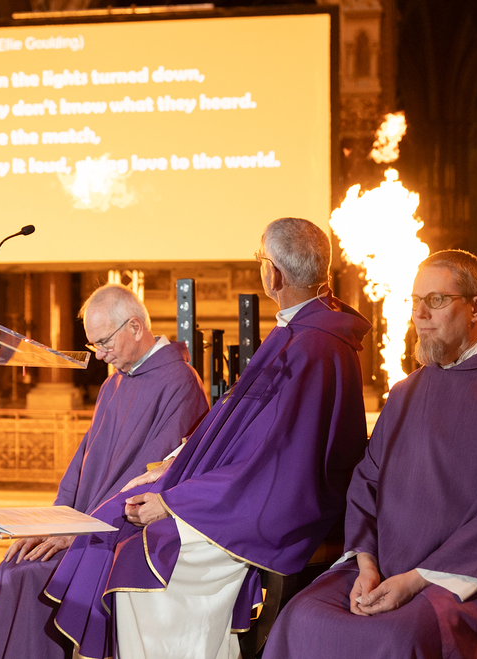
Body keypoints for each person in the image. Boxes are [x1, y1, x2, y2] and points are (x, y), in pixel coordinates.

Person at [44, 217, 371, 659]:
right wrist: (177, 462)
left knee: (143, 558)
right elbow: (244, 427)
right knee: (128, 514)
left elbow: (275, 460)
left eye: (260, 259)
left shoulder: (312, 343)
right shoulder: (304, 330)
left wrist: (174, 501)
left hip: (280, 503)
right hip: (260, 485)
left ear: (273, 274)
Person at [262, 250, 477, 659]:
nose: (419, 314)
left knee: (400, 638)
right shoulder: (406, 393)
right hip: (384, 568)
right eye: (415, 301)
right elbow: (366, 483)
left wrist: (415, 580)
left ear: (476, 308)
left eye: (435, 300)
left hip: (473, 581)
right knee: (300, 616)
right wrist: (366, 564)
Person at [0, 283, 208, 659]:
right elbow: (83, 462)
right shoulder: (114, 381)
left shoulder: (180, 383)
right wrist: (53, 521)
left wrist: (82, 531)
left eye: (104, 342)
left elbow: (154, 477)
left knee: (31, 576)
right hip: (85, 523)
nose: (99, 355)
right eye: (93, 344)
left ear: (135, 327)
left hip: (122, 531)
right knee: (13, 563)